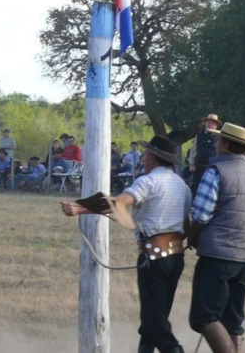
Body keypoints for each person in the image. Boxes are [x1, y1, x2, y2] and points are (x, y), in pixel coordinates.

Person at [60, 135, 192, 353]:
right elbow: (186, 226)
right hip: (175, 256)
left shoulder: (147, 182)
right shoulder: (183, 187)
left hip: (154, 256)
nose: (143, 157)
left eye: (146, 154)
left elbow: (119, 203)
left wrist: (79, 209)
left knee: (154, 321)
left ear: (153, 158)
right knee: (155, 318)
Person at [187, 123, 245, 353]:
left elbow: (201, 214)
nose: (215, 143)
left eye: (218, 140)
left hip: (218, 255)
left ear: (224, 144)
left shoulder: (215, 171)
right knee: (233, 321)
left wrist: (191, 237)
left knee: (205, 317)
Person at [189, 114, 223, 197]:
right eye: (208, 122)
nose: (209, 124)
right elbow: (194, 150)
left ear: (216, 125)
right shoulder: (200, 135)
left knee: (209, 190)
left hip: (212, 167)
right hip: (199, 167)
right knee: (195, 188)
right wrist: (192, 164)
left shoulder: (219, 137)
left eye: (212, 123)